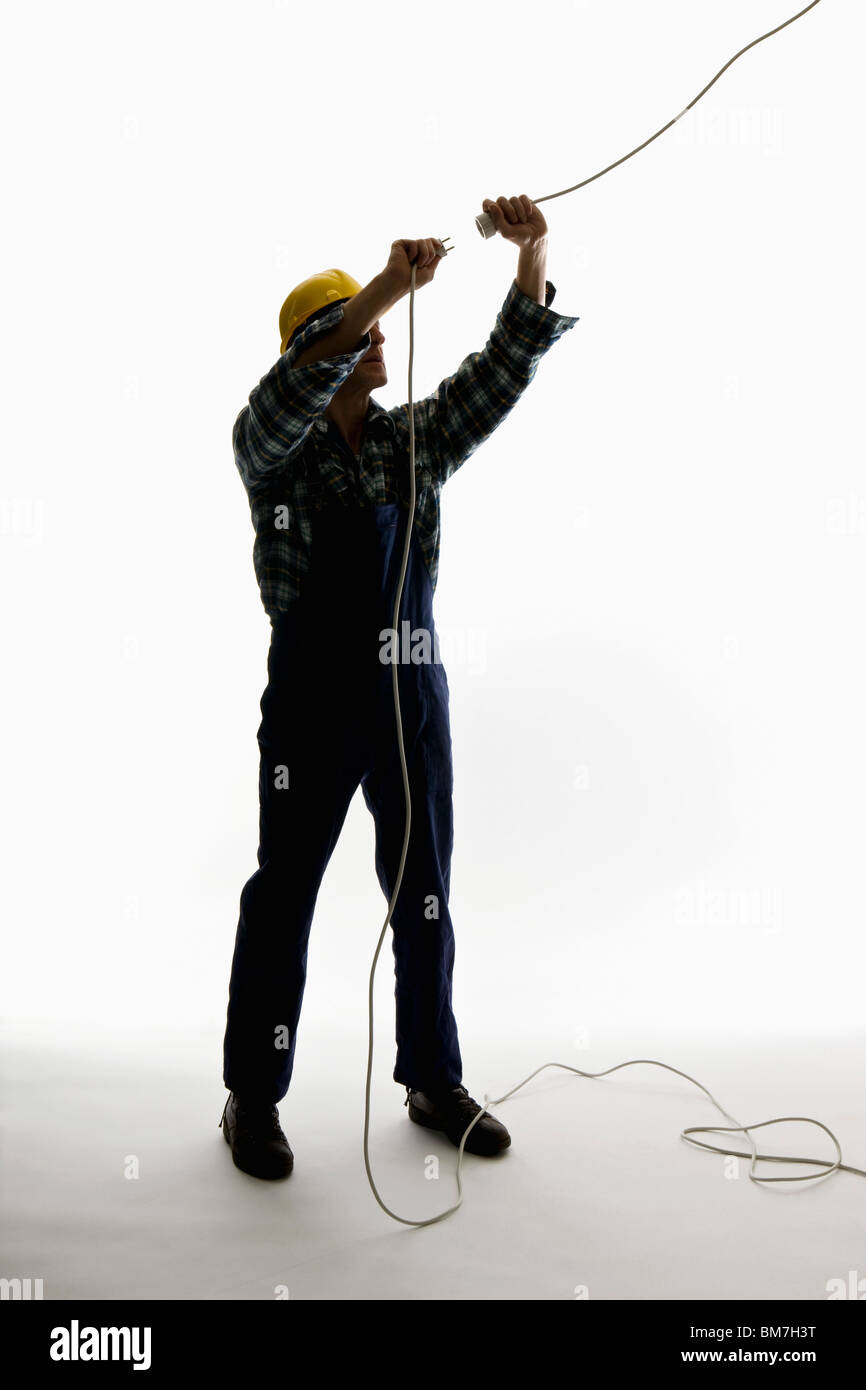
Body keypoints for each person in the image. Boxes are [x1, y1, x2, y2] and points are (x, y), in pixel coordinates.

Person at [220, 195, 579, 1180]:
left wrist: (531, 250)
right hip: (309, 706)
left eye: (378, 327)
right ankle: (253, 1096)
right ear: (319, 345)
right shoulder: (272, 449)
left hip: (408, 701)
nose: (379, 339)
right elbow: (288, 394)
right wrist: (384, 286)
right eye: (357, 330)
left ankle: (431, 1077)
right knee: (282, 895)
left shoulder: (407, 442)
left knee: (422, 895)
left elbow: (500, 373)